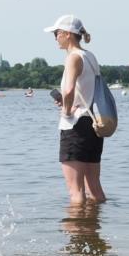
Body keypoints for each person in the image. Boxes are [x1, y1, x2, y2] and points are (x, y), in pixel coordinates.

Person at [45, 14, 105, 204]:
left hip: (75, 126)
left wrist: (66, 111)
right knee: (94, 189)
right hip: (92, 124)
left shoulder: (73, 58)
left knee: (76, 192)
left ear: (67, 34)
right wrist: (68, 101)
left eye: (56, 33)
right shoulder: (90, 57)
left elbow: (70, 89)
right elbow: (85, 90)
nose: (55, 38)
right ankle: (94, 231)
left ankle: (78, 232)